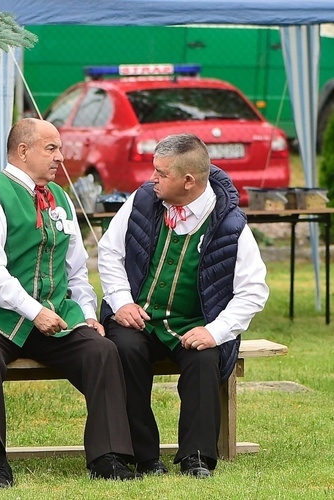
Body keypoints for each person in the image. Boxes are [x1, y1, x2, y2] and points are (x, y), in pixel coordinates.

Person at [0, 117, 138, 488]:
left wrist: (87, 313)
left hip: (53, 314)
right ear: (23, 151)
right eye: (51, 148)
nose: (60, 157)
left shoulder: (61, 198)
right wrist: (33, 310)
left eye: (59, 148)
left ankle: (107, 455)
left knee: (101, 350)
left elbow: (76, 270)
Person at [98, 133, 270, 478]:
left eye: (160, 173)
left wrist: (215, 330)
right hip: (138, 317)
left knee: (205, 358)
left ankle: (197, 457)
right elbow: (109, 252)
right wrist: (121, 301)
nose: (151, 179)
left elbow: (253, 290)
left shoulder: (230, 224)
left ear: (188, 181)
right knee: (124, 351)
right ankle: (143, 456)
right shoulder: (143, 200)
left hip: (195, 323)